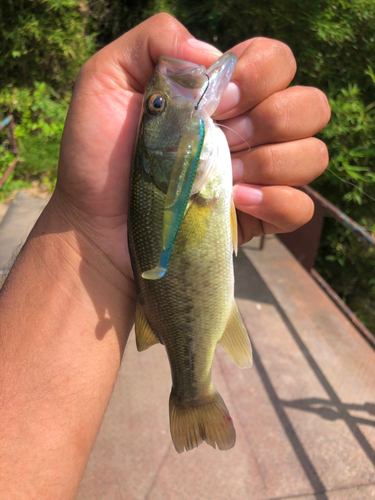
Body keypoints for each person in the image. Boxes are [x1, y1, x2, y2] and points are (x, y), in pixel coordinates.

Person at [0, 14, 330, 499]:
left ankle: (191, 391)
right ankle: (193, 394)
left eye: (155, 104)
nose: (165, 95)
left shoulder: (185, 168)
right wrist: (85, 229)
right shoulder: (171, 173)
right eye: (158, 104)